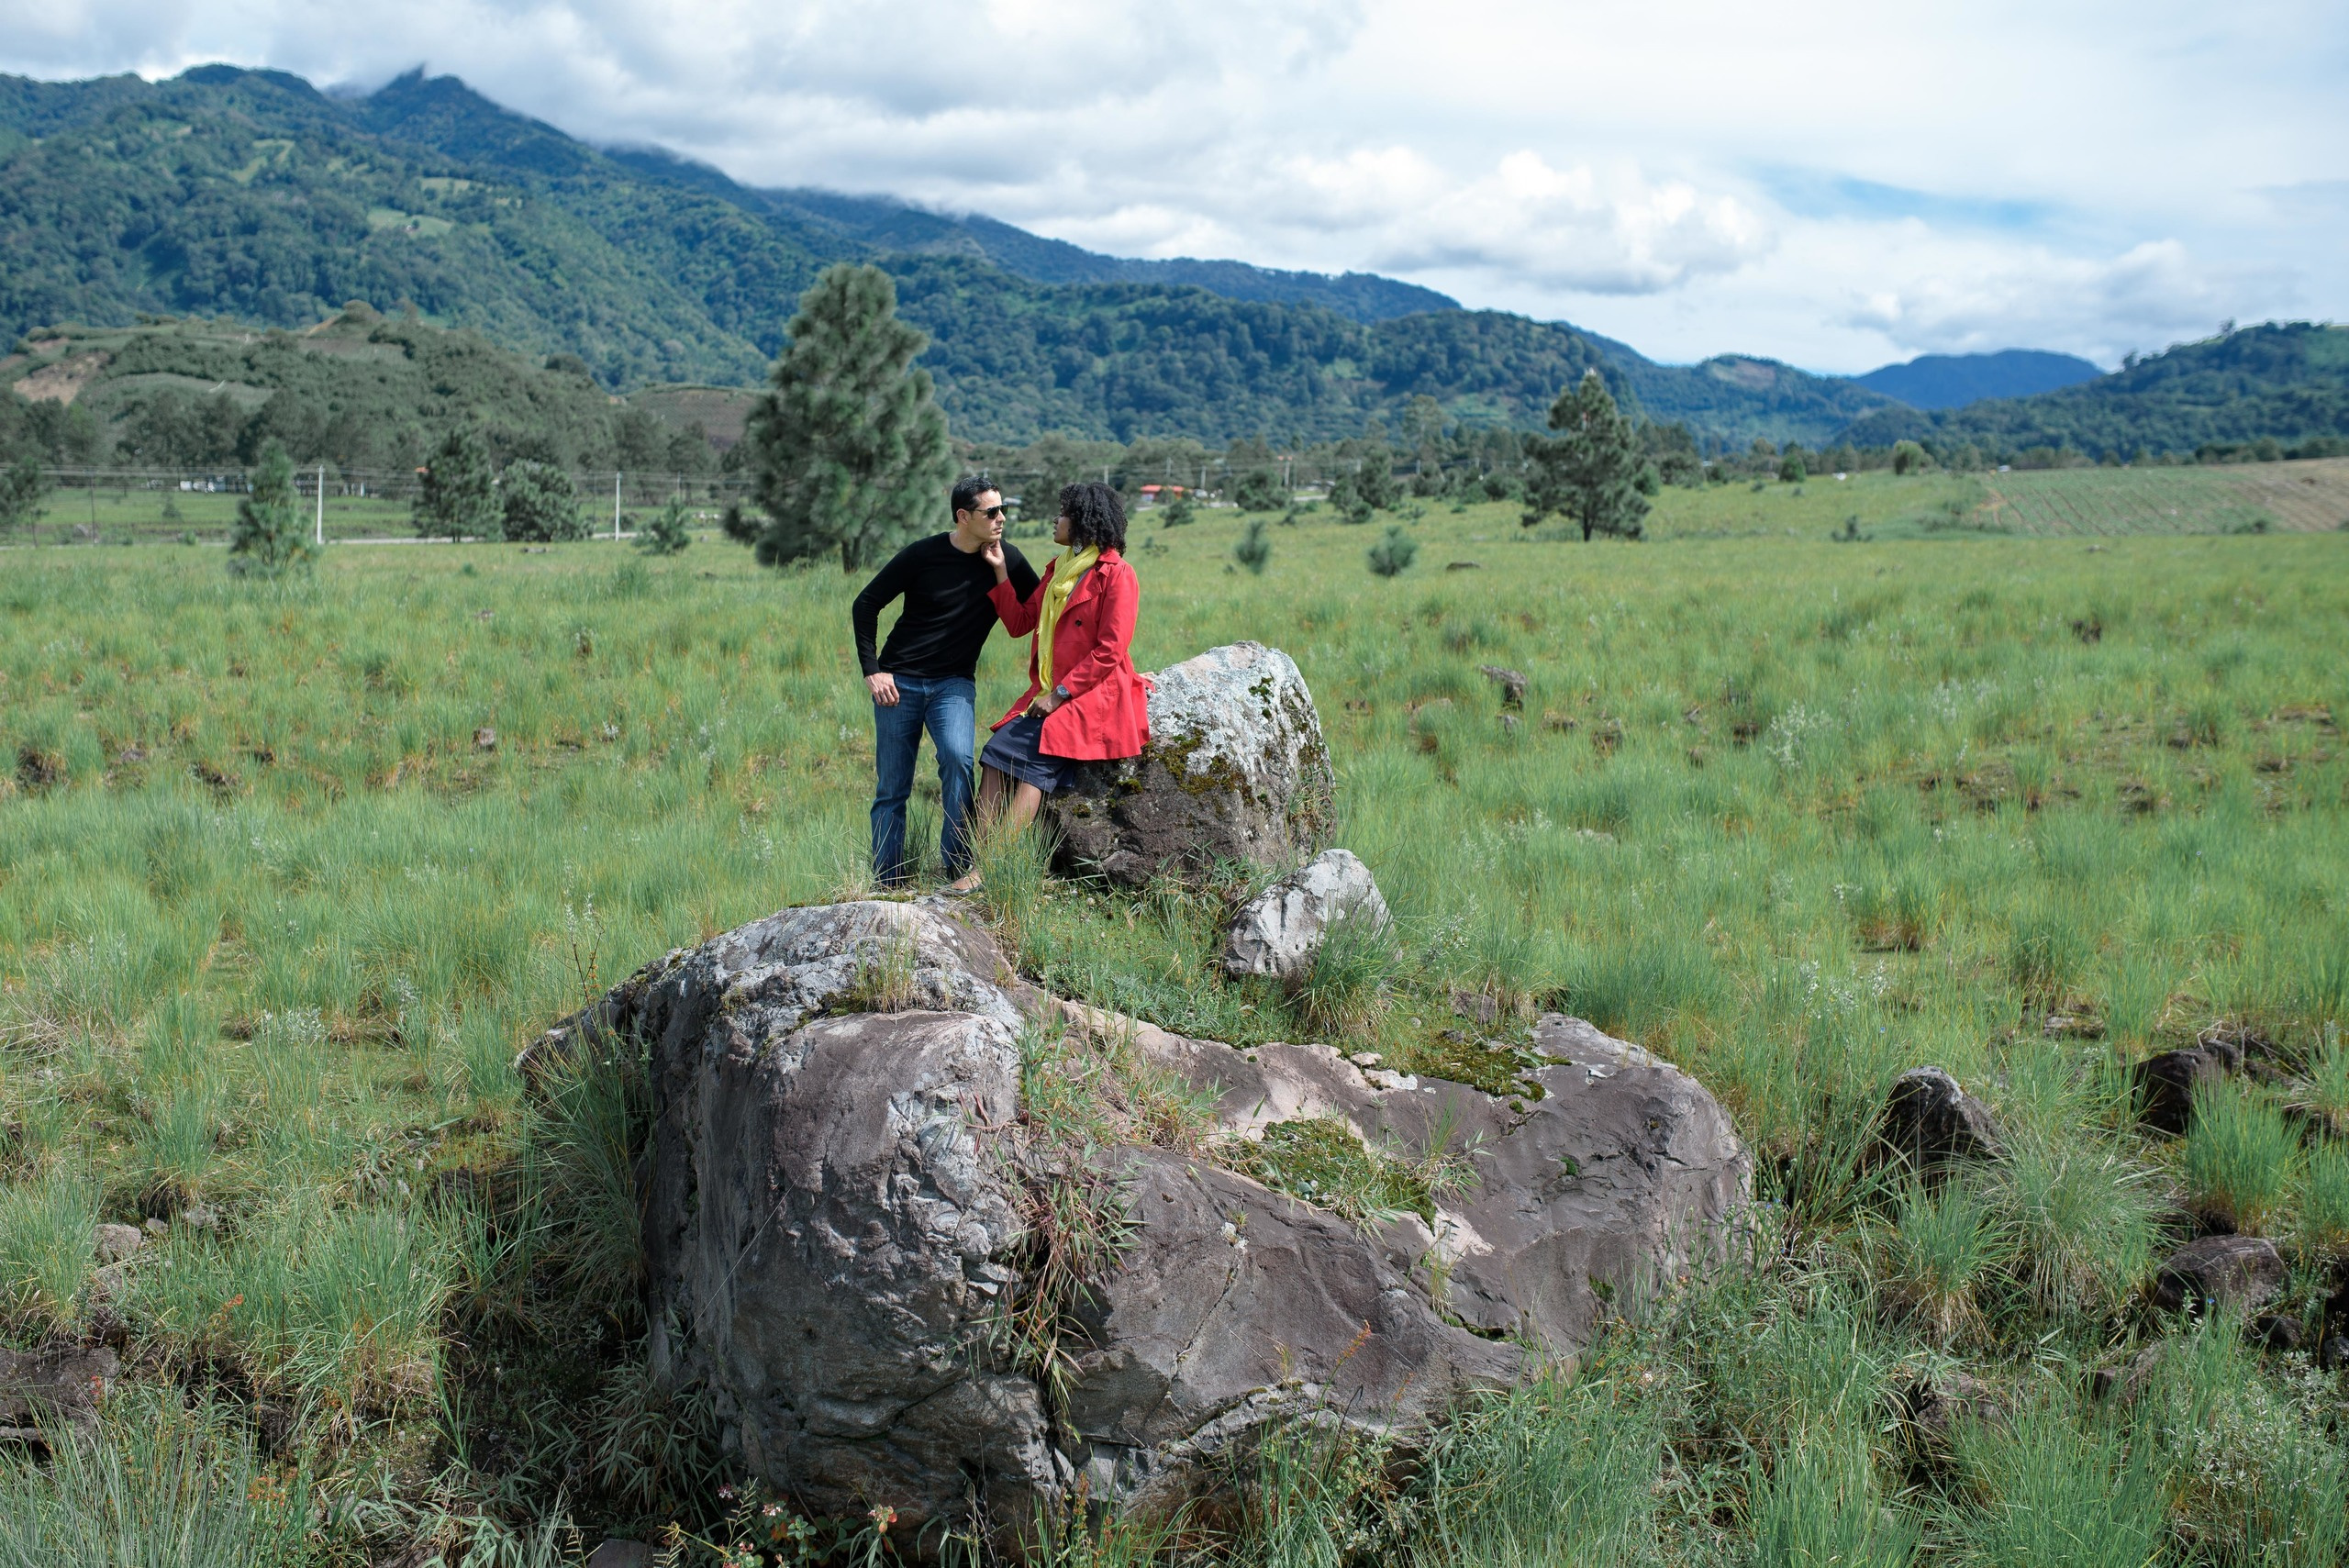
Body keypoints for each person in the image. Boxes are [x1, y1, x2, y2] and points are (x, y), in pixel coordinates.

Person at [948, 482, 1149, 893]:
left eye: (1063, 513)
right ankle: (980, 862)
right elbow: (1021, 622)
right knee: (996, 753)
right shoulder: (1059, 570)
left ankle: (988, 871)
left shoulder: (1117, 575)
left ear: (1083, 522)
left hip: (1091, 694)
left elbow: (1111, 650)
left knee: (1035, 763)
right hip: (1051, 690)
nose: (1055, 520)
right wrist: (1001, 571)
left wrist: (1059, 695)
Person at [852, 476, 1040, 886]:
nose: (1001, 518)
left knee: (958, 761)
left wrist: (1003, 574)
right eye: (990, 512)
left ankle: (956, 872)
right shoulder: (923, 554)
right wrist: (873, 670)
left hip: (953, 684)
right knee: (892, 787)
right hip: (897, 683)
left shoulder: (1008, 557)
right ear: (963, 516)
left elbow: (1047, 610)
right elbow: (866, 603)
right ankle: (888, 883)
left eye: (1002, 509)